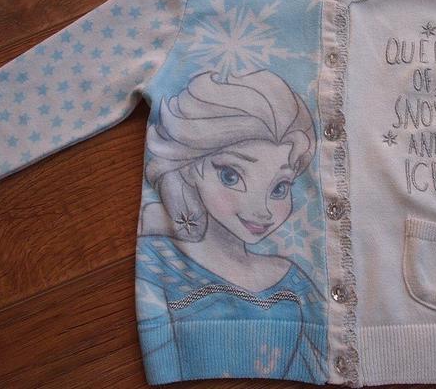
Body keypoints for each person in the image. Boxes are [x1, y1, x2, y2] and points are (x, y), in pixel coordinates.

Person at [135, 68, 328, 384]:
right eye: (231, 176)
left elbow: (323, 359)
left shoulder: (294, 283)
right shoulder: (158, 261)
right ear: (190, 167)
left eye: (280, 187)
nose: (261, 211)